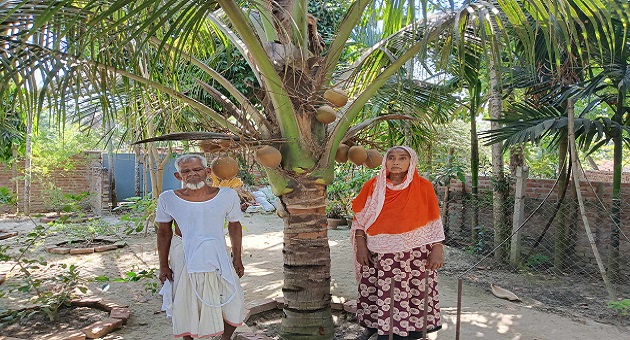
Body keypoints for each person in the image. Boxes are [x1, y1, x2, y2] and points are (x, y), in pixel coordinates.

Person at [351, 146, 445, 340]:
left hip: (415, 253)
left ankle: (410, 331)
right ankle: (375, 328)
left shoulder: (424, 187)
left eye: (403, 158)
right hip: (377, 252)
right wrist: (361, 245)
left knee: (413, 291)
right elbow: (360, 218)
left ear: (411, 162)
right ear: (385, 161)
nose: (396, 162)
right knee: (375, 291)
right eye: (391, 157)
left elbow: (434, 219)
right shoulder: (372, 186)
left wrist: (437, 248)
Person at [156, 154, 245, 340]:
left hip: (217, 252)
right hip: (184, 256)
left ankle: (225, 338)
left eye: (197, 169)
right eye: (186, 171)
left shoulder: (227, 195)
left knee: (233, 299)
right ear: (178, 176)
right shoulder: (168, 198)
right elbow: (164, 233)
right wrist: (163, 265)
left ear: (207, 171)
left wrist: (237, 258)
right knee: (186, 302)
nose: (192, 174)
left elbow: (234, 226)